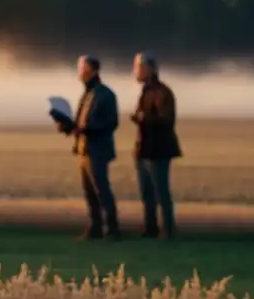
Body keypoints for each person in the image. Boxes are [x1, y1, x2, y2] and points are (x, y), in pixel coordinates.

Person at [57, 55, 120, 240]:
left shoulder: (105, 94)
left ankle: (112, 229)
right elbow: (81, 122)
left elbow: (111, 123)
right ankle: (95, 228)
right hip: (84, 148)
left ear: (92, 70)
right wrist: (69, 126)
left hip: (97, 149)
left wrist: (85, 129)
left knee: (101, 189)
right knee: (90, 192)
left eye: (82, 69)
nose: (79, 73)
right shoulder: (89, 93)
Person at [131, 53, 181, 239]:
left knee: (161, 191)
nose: (136, 71)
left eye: (139, 67)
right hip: (144, 148)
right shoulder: (146, 91)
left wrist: (145, 119)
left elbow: (167, 120)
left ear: (150, 69)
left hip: (158, 149)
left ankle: (169, 229)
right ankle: (150, 228)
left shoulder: (162, 92)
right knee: (147, 192)